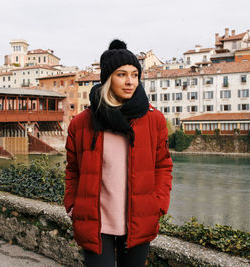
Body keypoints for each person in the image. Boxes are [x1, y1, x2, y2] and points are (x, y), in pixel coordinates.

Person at [64, 39, 173, 267]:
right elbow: (73, 169)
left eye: (134, 75)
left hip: (139, 218)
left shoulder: (153, 120)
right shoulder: (81, 123)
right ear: (108, 78)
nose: (130, 81)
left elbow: (162, 165)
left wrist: (158, 204)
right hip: (95, 222)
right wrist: (73, 204)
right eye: (122, 74)